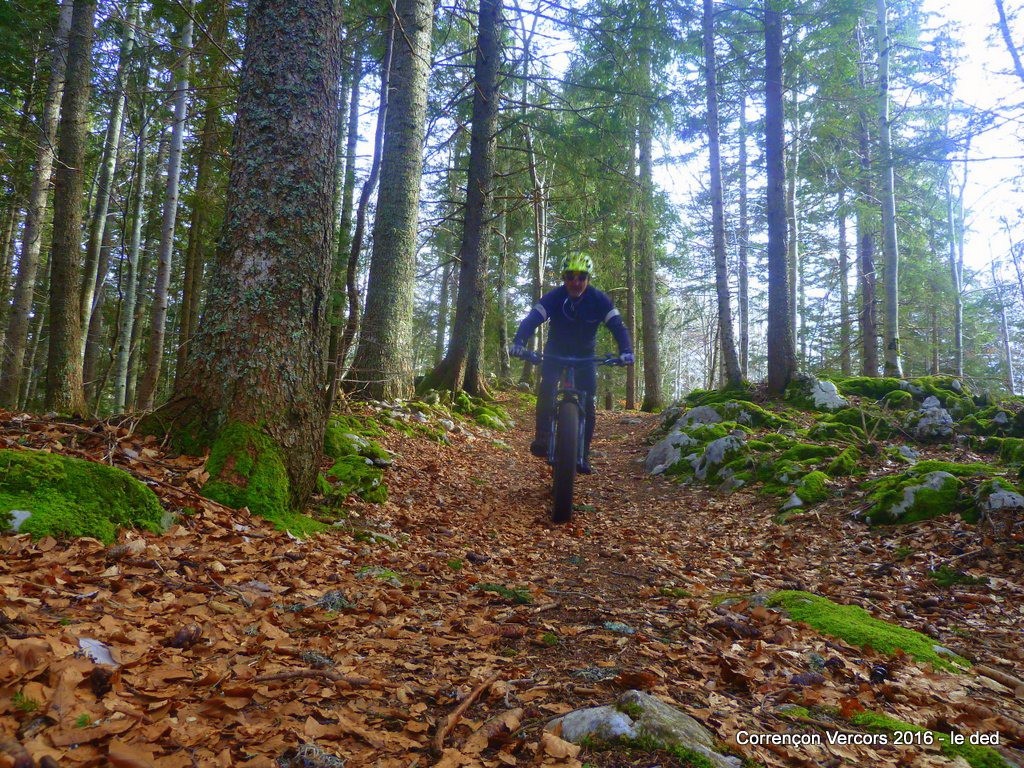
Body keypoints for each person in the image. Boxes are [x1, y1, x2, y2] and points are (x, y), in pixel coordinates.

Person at [509, 253, 634, 474]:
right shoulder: (555, 297)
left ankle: (583, 455)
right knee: (547, 387)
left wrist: (626, 351)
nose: (575, 282)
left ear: (588, 278)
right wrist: (519, 342)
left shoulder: (599, 299)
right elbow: (532, 320)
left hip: (586, 355)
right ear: (564, 278)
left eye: (581, 277)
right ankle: (543, 439)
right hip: (556, 351)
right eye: (570, 277)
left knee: (588, 402)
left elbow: (617, 326)